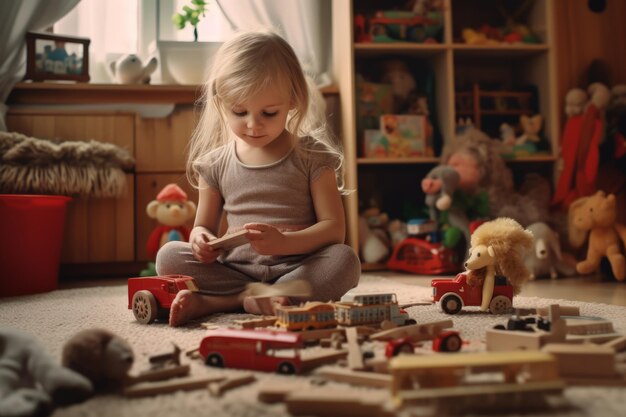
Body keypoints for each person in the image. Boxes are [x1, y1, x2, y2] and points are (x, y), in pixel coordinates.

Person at [156, 30, 361, 327]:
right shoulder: (214, 164)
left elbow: (334, 231)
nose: (253, 125)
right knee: (169, 256)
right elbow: (203, 226)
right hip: (236, 271)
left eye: (268, 112)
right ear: (220, 102)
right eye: (239, 112)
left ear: (292, 100)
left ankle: (223, 302)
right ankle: (254, 298)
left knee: (344, 260)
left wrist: (285, 243)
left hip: (298, 268)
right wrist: (201, 240)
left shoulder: (313, 156)